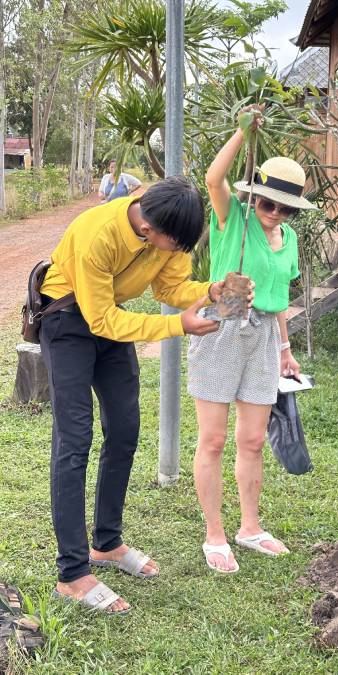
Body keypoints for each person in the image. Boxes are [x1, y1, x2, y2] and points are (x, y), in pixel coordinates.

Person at [38, 176, 230, 614]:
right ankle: (72, 572)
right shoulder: (96, 233)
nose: (177, 252)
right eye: (173, 244)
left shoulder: (168, 234)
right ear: (147, 227)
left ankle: (106, 544)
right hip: (67, 320)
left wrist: (208, 291)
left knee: (124, 429)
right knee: (74, 440)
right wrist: (177, 325)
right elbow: (100, 318)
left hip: (110, 318)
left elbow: (170, 289)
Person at [192, 105, 312, 573]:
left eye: (284, 206)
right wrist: (242, 134)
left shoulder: (290, 239)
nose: (274, 212)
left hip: (263, 337)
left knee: (253, 440)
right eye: (267, 202)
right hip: (223, 323)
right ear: (255, 197)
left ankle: (249, 527)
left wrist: (285, 350)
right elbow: (213, 179)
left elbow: (280, 300)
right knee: (215, 440)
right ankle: (214, 534)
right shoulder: (234, 219)